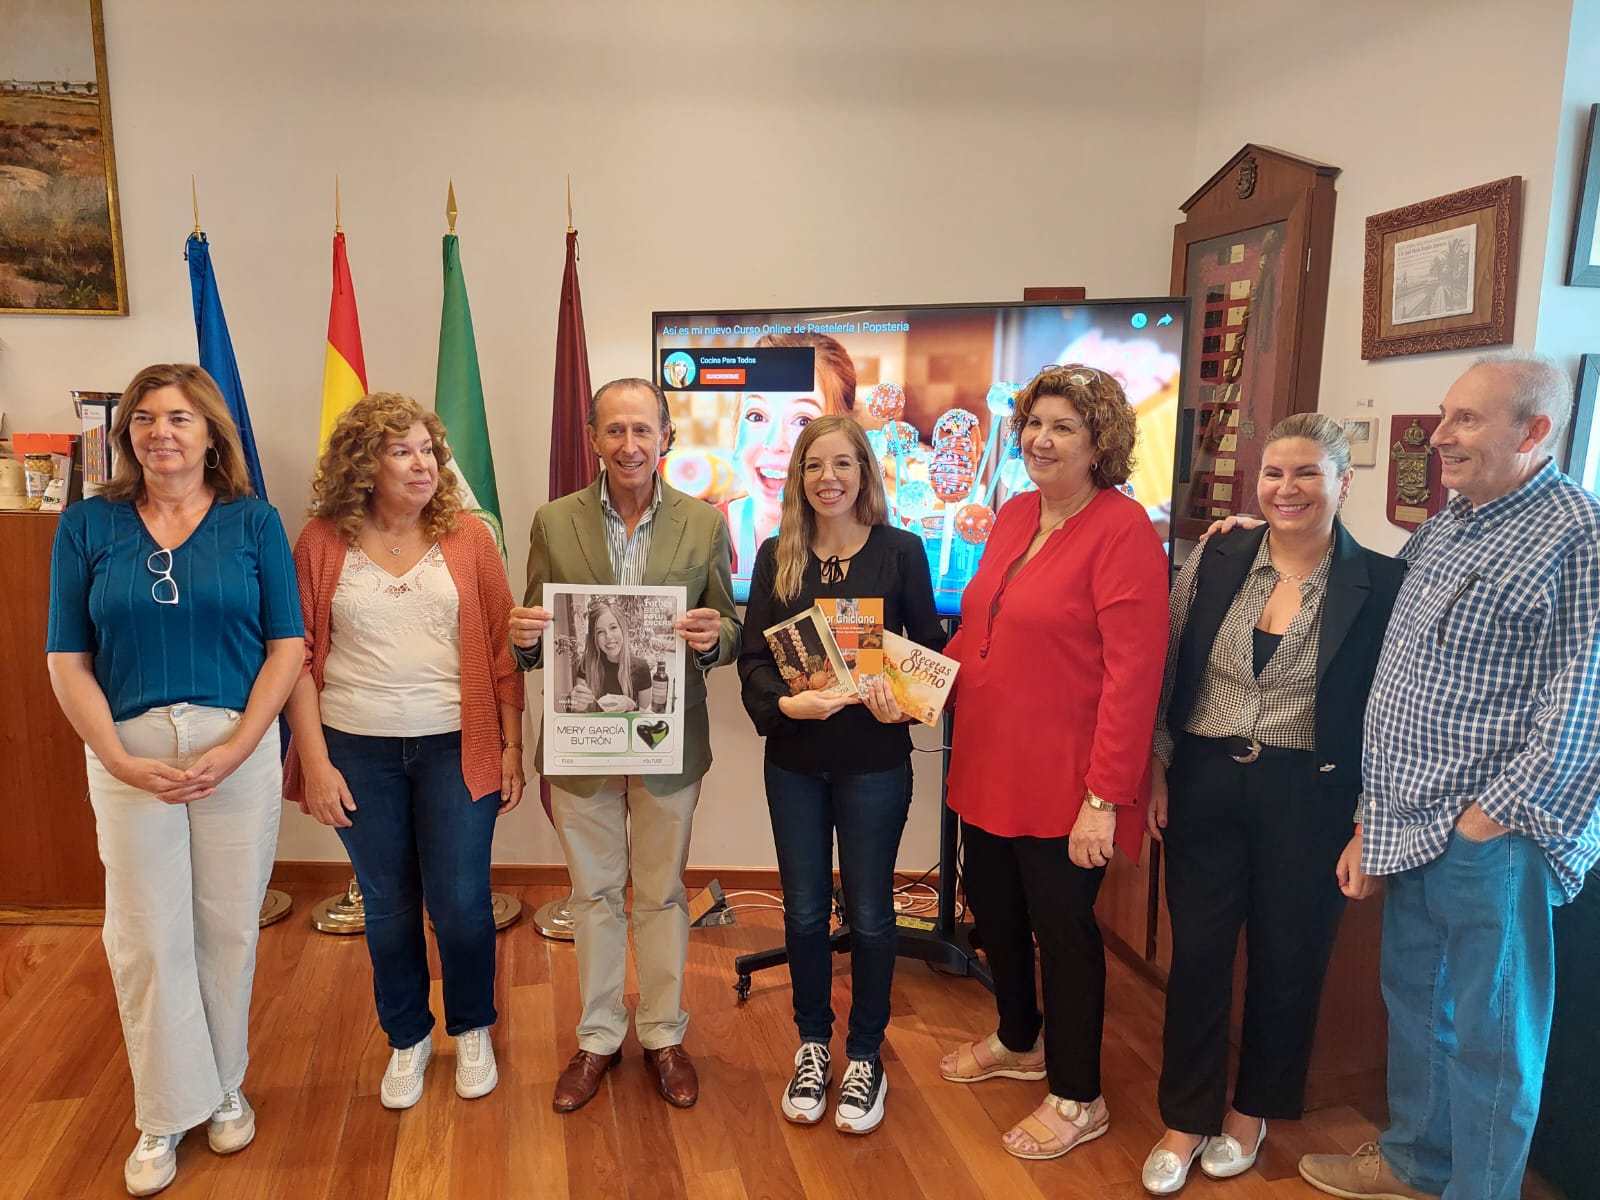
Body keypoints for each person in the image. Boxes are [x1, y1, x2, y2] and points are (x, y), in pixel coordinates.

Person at [1294, 353, 1600, 1200]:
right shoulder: (1453, 520)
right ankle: (1415, 1163)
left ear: (1535, 433)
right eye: (1445, 415)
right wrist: (1371, 820)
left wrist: (1487, 818)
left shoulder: (1581, 537)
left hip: (1494, 836)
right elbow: (1402, 672)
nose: (1441, 436)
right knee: (1419, 1009)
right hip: (1409, 822)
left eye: (1466, 420)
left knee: (1492, 1038)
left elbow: (1585, 705)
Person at [45, 363, 305, 1197]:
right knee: (147, 935)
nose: (163, 432)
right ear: (126, 436)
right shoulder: (88, 525)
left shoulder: (254, 521)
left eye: (181, 418)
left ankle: (225, 1086)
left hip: (235, 746)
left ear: (210, 434)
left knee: (227, 926)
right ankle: (162, 1112)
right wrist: (117, 758)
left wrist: (240, 745)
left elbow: (288, 648)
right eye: (146, 419)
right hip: (131, 753)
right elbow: (66, 658)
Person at [1138, 414, 1406, 1195]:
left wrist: (1370, 816)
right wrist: (1156, 765)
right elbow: (1168, 661)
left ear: (1342, 483)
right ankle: (1185, 1116)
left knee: (1290, 957)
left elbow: (1389, 711)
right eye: (1273, 474)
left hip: (1310, 792)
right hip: (1206, 778)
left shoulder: (1382, 583)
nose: (1286, 489)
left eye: (1306, 474)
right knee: (1199, 956)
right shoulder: (1218, 557)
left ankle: (1252, 1111)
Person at [936, 364, 1169, 1159]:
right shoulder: (1013, 513)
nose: (1040, 438)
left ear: (1100, 441)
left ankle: (1078, 1095)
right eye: (1034, 422)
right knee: (994, 915)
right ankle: (1018, 1038)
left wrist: (1105, 796)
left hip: (1067, 782)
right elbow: (982, 629)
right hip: (986, 764)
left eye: (1063, 426)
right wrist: (917, 678)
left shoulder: (1123, 529)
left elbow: (1135, 677)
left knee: (1063, 934)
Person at [281, 393, 525, 1112]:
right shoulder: (322, 542)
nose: (423, 464)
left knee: (460, 902)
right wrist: (317, 762)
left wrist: (511, 745)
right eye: (403, 451)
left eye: (428, 450)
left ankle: (473, 1026)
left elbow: (503, 649)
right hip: (357, 749)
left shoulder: (470, 538)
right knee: (387, 906)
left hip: (459, 742)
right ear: (364, 462)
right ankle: (407, 1037)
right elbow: (295, 658)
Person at [509, 377, 741, 1113]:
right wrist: (521, 641)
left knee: (664, 892)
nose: (630, 445)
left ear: (666, 437)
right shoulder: (553, 521)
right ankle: (600, 1036)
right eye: (615, 431)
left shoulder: (703, 524)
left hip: (668, 744)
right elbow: (540, 634)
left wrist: (711, 639)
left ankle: (665, 1034)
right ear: (594, 438)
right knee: (595, 894)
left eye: (643, 430)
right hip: (582, 747)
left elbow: (729, 625)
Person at [738, 414, 946, 1134]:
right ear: (798, 477)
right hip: (794, 764)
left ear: (865, 473)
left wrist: (904, 703)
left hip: (874, 765)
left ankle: (864, 1056)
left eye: (843, 465)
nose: (828, 479)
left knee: (870, 913)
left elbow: (930, 654)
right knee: (800, 912)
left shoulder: (902, 552)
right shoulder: (775, 555)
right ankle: (813, 1044)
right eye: (814, 466)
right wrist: (786, 702)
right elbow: (753, 660)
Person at [726, 332, 857, 573]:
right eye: (756, 416)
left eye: (803, 421)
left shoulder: (897, 541)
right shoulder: (697, 531)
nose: (775, 443)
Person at [563, 598, 652, 713]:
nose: (608, 637)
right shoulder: (587, 664)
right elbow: (577, 715)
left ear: (622, 629)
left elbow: (645, 719)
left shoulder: (641, 668)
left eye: (613, 627)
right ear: (594, 638)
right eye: (600, 632)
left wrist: (630, 705)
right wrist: (575, 705)